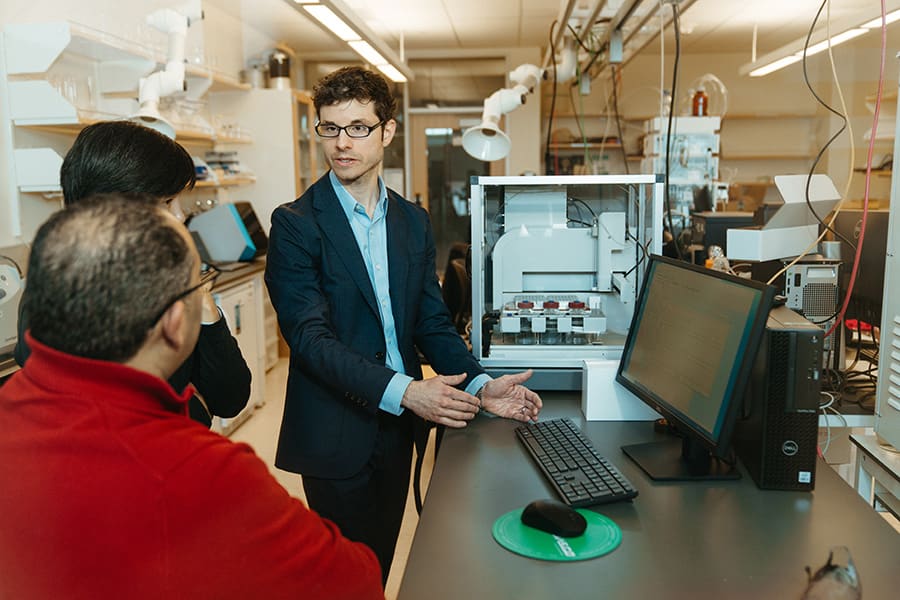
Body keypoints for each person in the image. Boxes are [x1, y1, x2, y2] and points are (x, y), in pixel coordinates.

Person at [0, 195, 383, 599]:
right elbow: (354, 583)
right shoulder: (199, 470)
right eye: (197, 285)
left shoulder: (14, 405)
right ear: (174, 322)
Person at [265, 65, 543, 582]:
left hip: (398, 428)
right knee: (345, 579)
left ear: (387, 131)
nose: (341, 143)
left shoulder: (410, 221)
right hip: (336, 430)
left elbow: (431, 324)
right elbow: (309, 339)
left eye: (357, 128)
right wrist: (407, 390)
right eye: (330, 128)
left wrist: (481, 384)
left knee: (382, 564)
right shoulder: (295, 225)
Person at [13, 120, 250, 427]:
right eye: (167, 202)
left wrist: (208, 315)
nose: (180, 215)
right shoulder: (57, 290)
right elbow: (88, 413)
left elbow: (232, 397)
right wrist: (193, 408)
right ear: (115, 206)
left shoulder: (173, 285)